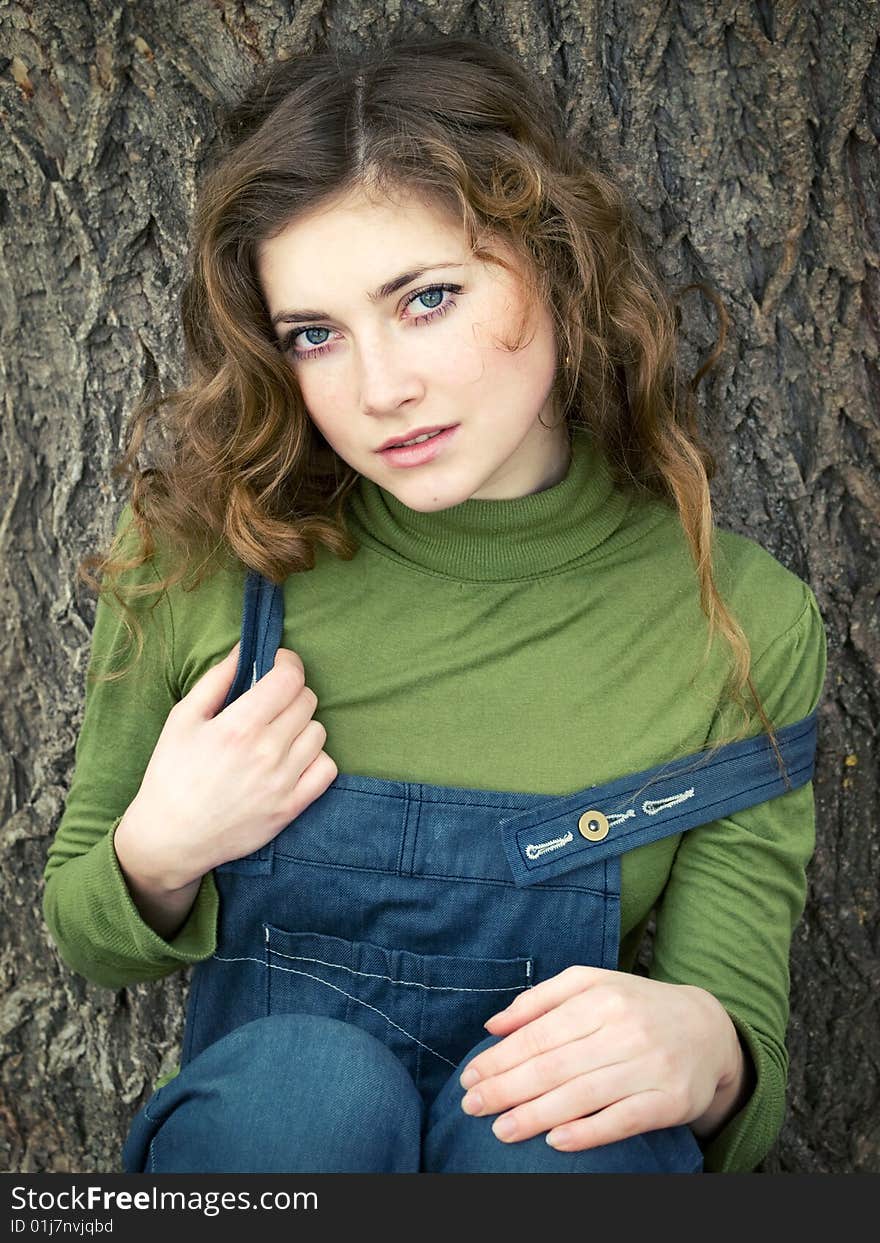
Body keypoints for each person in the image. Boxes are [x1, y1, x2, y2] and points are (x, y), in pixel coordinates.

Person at [42, 35, 827, 1175]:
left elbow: (739, 1056)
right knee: (304, 1095)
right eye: (316, 334)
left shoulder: (736, 615)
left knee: (561, 1145)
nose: (378, 389)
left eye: (427, 299)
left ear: (556, 265)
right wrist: (160, 849)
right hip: (271, 1161)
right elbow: (86, 927)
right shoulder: (210, 556)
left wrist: (707, 1048)